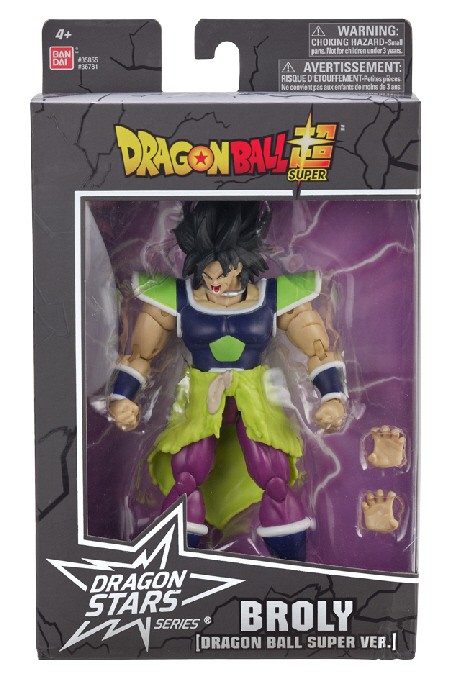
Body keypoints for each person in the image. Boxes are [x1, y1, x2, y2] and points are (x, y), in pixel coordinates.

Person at [109, 201, 347, 560]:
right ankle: (174, 559)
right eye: (206, 267)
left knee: (275, 477)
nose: (214, 278)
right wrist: (122, 398)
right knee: (186, 475)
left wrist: (333, 397)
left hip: (255, 399)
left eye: (224, 267)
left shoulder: (273, 297)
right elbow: (139, 356)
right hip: (200, 399)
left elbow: (319, 349)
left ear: (243, 260)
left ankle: (292, 567)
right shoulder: (175, 299)